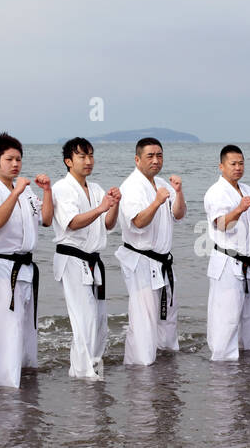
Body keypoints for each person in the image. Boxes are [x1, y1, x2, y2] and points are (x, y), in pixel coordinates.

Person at [0, 132, 53, 388]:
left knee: (26, 327)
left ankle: (26, 377)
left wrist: (46, 191)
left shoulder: (24, 190)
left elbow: (45, 220)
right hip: (2, 266)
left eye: (18, 159)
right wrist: (16, 192)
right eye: (9, 159)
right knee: (9, 327)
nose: (15, 164)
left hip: (25, 266)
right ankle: (7, 385)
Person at [52, 137, 120, 379]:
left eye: (90, 155)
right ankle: (83, 374)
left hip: (93, 260)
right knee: (84, 318)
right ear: (68, 161)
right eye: (82, 156)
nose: (88, 161)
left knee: (99, 320)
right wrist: (102, 208)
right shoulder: (62, 188)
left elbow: (108, 224)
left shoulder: (96, 189)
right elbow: (71, 222)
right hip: (72, 259)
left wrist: (114, 205)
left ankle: (91, 368)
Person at [117, 138, 185, 365]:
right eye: (150, 156)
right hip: (141, 261)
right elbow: (137, 222)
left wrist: (179, 192)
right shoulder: (131, 186)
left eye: (159, 155)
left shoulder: (162, 183)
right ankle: (140, 368)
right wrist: (156, 202)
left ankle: (165, 364)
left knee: (167, 318)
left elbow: (179, 214)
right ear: (137, 159)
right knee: (143, 319)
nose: (156, 160)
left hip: (163, 262)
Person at [203, 145, 250, 361]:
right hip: (227, 262)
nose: (238, 167)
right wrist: (239, 209)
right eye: (233, 164)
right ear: (221, 166)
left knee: (249, 317)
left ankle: (247, 359)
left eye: (241, 163)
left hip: (249, 264)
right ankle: (222, 363)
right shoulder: (216, 192)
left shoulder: (246, 189)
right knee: (227, 317)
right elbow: (221, 224)